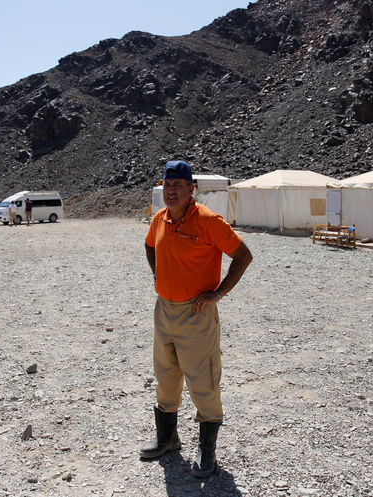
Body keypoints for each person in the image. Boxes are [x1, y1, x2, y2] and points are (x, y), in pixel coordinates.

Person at [141, 160, 253, 478]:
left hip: (196, 313)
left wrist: (217, 294)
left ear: (192, 189)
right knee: (165, 377)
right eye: (167, 184)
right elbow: (150, 246)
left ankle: (207, 453)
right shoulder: (160, 218)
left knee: (202, 381)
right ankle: (168, 439)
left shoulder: (208, 221)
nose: (171, 190)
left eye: (178, 185)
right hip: (164, 311)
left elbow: (243, 255)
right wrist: (157, 273)